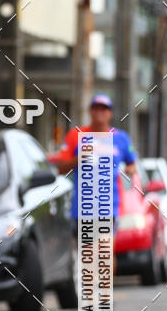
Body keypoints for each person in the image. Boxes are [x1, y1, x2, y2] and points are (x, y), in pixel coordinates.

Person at [57, 94, 137, 269]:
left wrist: (129, 170)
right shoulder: (75, 135)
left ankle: (105, 293)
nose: (100, 112)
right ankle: (92, 292)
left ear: (110, 113)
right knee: (89, 255)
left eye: (104, 109)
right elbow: (61, 168)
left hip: (110, 205)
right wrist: (80, 158)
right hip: (83, 207)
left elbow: (132, 163)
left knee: (105, 252)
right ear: (90, 112)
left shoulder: (121, 137)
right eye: (96, 108)